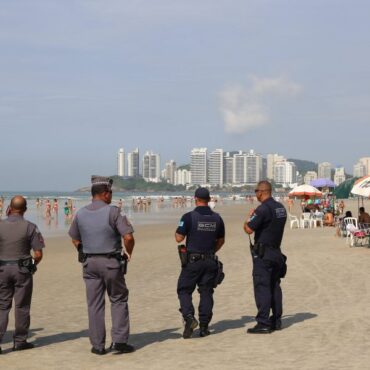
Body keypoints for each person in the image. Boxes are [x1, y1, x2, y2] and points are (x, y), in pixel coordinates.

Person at [68, 176, 135, 355]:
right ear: (105, 194)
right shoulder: (114, 212)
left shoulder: (80, 213)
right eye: (111, 193)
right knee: (118, 299)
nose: (112, 195)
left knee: (94, 304)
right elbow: (128, 237)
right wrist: (129, 252)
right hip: (111, 262)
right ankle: (119, 341)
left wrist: (81, 249)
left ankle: (98, 345)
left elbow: (74, 237)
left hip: (89, 263)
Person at [175, 187, 225, 339]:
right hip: (210, 260)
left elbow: (178, 238)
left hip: (193, 261)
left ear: (195, 199)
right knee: (206, 292)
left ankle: (189, 317)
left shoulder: (189, 217)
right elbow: (221, 241)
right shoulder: (217, 218)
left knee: (184, 290)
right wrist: (211, 251)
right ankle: (204, 326)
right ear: (209, 200)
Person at [0, 196, 44, 353]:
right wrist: (31, 267)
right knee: (22, 306)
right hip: (22, 269)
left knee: (2, 306)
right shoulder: (30, 227)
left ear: (9, 208)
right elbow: (38, 254)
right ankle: (20, 341)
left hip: (2, 270)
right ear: (25, 209)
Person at [243, 181, 287, 334]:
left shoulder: (263, 209)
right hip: (276, 252)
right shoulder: (280, 207)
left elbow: (248, 229)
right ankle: (276, 320)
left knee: (262, 287)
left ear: (261, 192)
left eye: (256, 191)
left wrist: (248, 218)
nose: (255, 194)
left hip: (264, 253)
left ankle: (263, 322)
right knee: (275, 286)